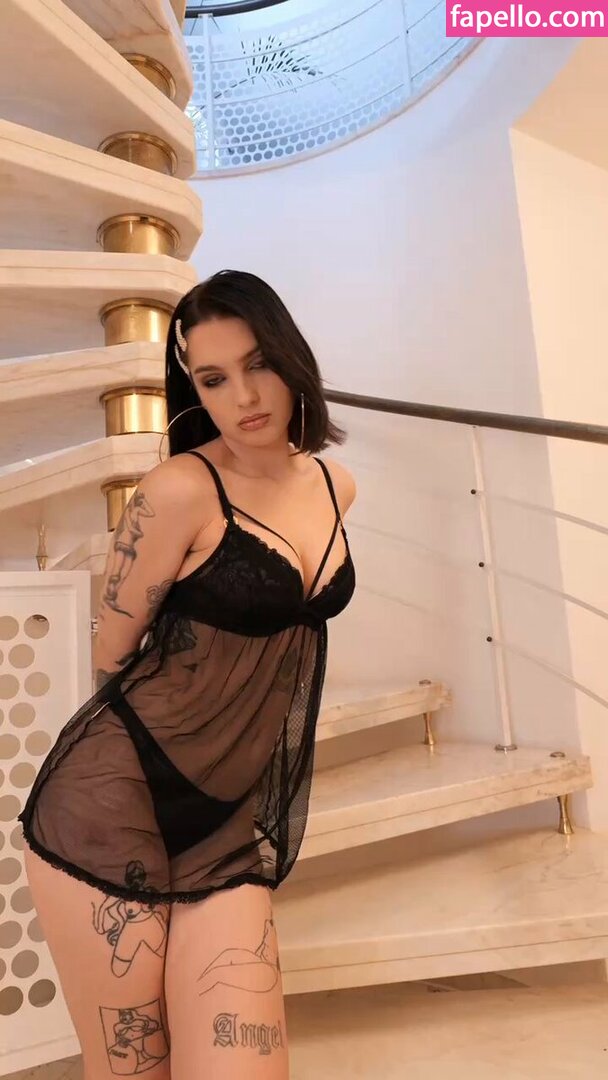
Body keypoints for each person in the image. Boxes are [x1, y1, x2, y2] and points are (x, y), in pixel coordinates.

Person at [18, 270, 357, 1080]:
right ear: (192, 389)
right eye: (213, 379)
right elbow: (113, 652)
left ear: (291, 356)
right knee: (134, 1072)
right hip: (114, 801)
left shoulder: (335, 485)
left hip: (228, 823)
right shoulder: (178, 490)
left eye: (258, 363)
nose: (244, 396)